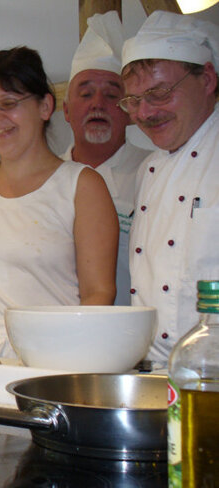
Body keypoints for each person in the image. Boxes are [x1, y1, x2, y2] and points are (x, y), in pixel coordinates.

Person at [0, 47, 118, 358]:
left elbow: (100, 292)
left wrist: (56, 351)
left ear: (45, 106)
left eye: (9, 104)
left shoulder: (81, 185)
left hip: (50, 359)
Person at [119, 11, 219, 364]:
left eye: (159, 93)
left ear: (207, 79)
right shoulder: (148, 170)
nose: (144, 113)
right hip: (158, 374)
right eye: (132, 100)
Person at [62, 12, 151, 306]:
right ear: (65, 110)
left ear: (128, 108)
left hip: (134, 339)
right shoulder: (45, 178)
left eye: (112, 95)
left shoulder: (153, 173)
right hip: (50, 335)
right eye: (85, 94)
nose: (97, 104)